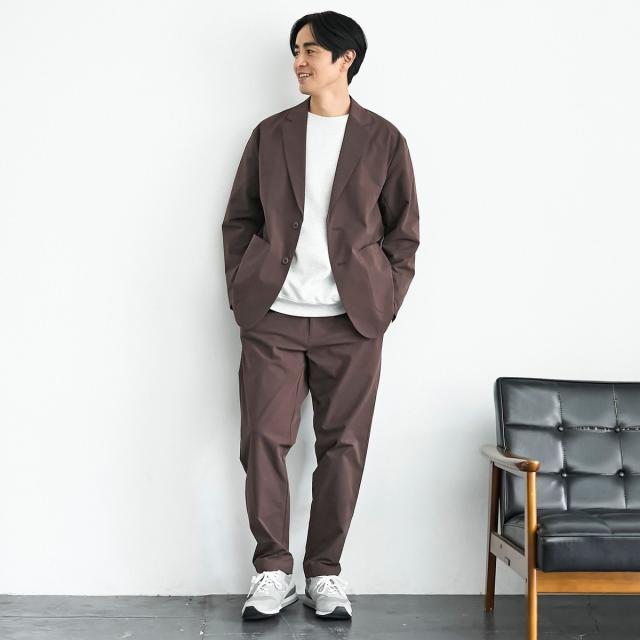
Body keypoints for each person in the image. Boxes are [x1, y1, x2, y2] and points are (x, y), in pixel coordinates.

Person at [221, 10, 420, 621]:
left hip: (352, 322)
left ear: (345, 59)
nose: (299, 61)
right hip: (273, 318)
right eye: (296, 50)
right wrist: (244, 288)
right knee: (263, 440)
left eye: (310, 50)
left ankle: (325, 573)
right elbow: (240, 219)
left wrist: (385, 300)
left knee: (344, 447)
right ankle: (272, 569)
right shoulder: (271, 134)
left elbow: (404, 234)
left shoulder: (384, 139)